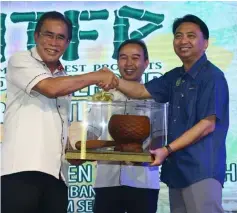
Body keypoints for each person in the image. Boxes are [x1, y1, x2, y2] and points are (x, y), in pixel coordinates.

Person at [101, 14, 229, 213]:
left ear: (206, 43)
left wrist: (167, 149)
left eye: (191, 36)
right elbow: (140, 91)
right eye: (178, 36)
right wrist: (109, 79)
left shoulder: (212, 76)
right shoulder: (174, 77)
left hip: (201, 169)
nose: (183, 41)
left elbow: (207, 124)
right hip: (176, 171)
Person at [1, 11, 118, 213]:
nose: (54, 42)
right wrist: (97, 75)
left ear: (68, 43)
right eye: (48, 35)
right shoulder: (20, 60)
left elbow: (56, 128)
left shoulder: (64, 78)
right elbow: (50, 88)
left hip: (57, 177)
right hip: (21, 173)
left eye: (61, 37)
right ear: (36, 36)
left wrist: (75, 153)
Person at [92, 39, 160, 213]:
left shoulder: (156, 98)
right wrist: (80, 146)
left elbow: (161, 137)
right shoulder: (104, 97)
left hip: (143, 181)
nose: (129, 63)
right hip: (107, 180)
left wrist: (141, 152)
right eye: (123, 57)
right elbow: (91, 131)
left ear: (146, 63)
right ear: (117, 62)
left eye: (135, 57)